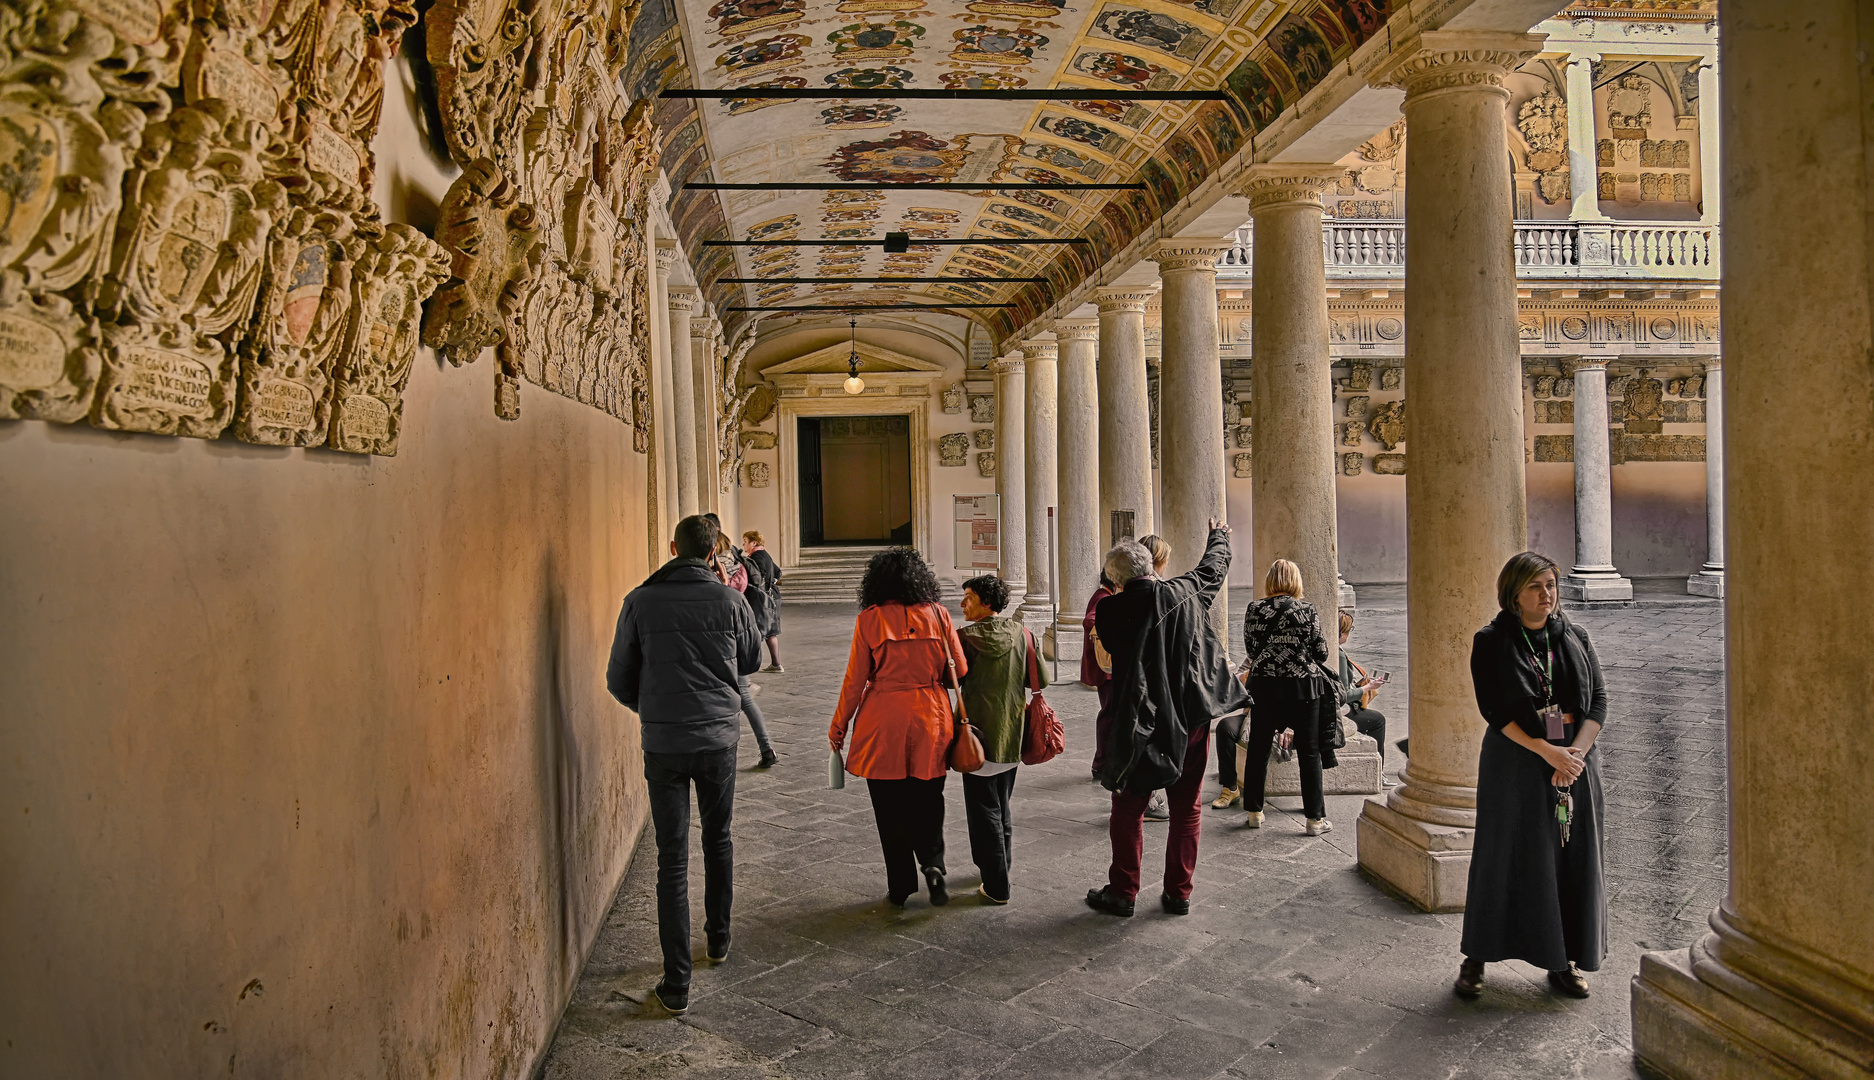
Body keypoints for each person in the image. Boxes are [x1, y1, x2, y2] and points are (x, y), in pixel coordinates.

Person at [606, 515, 763, 1015]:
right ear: (713, 549)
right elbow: (753, 660)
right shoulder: (730, 600)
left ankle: (676, 983)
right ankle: (718, 938)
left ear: (672, 547)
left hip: (665, 744)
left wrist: (655, 710)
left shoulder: (639, 601)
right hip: (718, 738)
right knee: (718, 838)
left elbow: (618, 679)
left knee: (671, 859)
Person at [1456, 551, 1608, 1000]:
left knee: (1569, 860)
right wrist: (1548, 753)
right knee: (1501, 858)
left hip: (1575, 767)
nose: (1547, 594)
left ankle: (1565, 960)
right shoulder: (1492, 641)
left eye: (1551, 585)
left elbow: (1597, 701)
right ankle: (1477, 956)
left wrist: (1573, 756)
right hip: (1517, 766)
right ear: (1513, 594)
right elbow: (1495, 711)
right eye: (1536, 587)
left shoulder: (1576, 637)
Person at [1086, 521, 1245, 918]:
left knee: (1128, 807)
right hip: (1189, 719)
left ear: (1116, 579)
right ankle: (1179, 893)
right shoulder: (1186, 592)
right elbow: (1214, 566)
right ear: (1153, 568)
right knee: (1187, 806)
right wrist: (1218, 534)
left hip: (1138, 722)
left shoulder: (1109, 609)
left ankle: (1123, 890)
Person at [828, 547, 969, 908]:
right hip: (931, 716)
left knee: (889, 806)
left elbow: (855, 680)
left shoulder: (869, 620)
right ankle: (934, 865)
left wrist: (839, 725)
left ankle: (901, 884)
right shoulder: (938, 615)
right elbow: (961, 669)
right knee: (929, 799)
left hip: (883, 720)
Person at [956, 574, 1043, 905]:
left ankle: (996, 885)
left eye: (969, 597)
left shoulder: (965, 638)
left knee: (983, 811)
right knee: (1000, 804)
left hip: (975, 736)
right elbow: (1041, 679)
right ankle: (999, 865)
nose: (963, 603)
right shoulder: (1024, 634)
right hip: (1013, 733)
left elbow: (952, 679)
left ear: (986, 603)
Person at [1236, 559, 1333, 835]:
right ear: (1296, 581)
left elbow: (1252, 651)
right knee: (1309, 752)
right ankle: (1315, 819)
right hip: (1304, 688)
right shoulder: (1307, 610)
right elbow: (1322, 653)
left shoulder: (1255, 609)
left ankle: (1255, 811)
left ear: (1270, 581)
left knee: (1258, 748)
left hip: (1265, 686)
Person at [712, 530, 778, 769]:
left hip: (719, 640)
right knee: (746, 698)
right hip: (738, 638)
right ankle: (766, 747)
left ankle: (720, 753)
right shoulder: (739, 565)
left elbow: (724, 598)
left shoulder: (719, 570)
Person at [1336, 609, 1393, 787]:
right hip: (1340, 712)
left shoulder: (1332, 649)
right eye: (1347, 631)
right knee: (1378, 720)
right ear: (1341, 632)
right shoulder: (1338, 654)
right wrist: (1368, 687)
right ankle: (1379, 772)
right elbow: (1343, 695)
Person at [1083, 571, 1114, 780]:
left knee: (1109, 713)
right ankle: (1101, 763)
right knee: (1109, 714)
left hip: (1106, 669)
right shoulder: (1104, 597)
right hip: (1106, 669)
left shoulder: (1103, 595)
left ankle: (1103, 762)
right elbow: (1089, 620)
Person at [742, 530, 785, 672]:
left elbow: (759, 576)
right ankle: (776, 664)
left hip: (762, 599)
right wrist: (771, 581)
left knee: (756, 631)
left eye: (745, 541)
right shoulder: (765, 554)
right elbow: (778, 572)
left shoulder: (757, 555)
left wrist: (758, 584)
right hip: (772, 597)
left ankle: (750, 665)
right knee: (770, 631)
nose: (743, 545)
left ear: (754, 543)